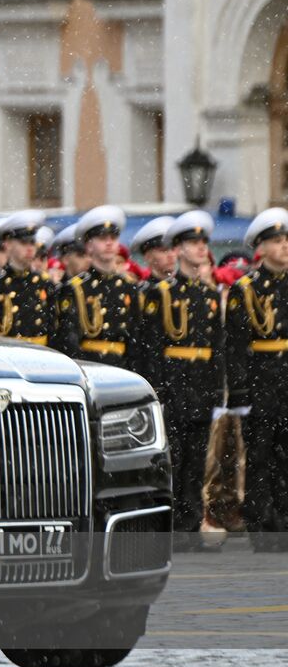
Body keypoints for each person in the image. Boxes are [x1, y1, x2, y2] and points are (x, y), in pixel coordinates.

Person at [138, 211, 223, 547]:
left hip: (200, 386)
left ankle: (189, 525)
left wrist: (218, 390)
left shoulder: (210, 296)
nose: (201, 248)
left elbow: (216, 348)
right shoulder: (160, 294)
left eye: (203, 242)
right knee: (171, 460)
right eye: (193, 242)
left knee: (197, 462)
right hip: (173, 386)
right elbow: (152, 346)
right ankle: (168, 527)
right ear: (178, 249)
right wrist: (156, 389)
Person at [226, 207, 288, 551]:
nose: (285, 247)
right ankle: (264, 527)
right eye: (277, 241)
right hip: (262, 381)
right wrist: (240, 393)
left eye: (286, 240)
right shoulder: (246, 289)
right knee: (261, 458)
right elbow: (236, 346)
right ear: (261, 248)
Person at [53, 205, 139, 371]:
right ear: (89, 246)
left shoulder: (128, 287)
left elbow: (136, 338)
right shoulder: (75, 289)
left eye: (113, 238)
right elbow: (68, 340)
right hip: (89, 367)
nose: (108, 243)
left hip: (122, 369)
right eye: (102, 238)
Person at [0, 210, 54, 345]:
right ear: (7, 244)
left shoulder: (44, 283)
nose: (30, 248)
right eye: (23, 242)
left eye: (32, 242)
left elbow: (53, 329)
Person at [131, 216, 177, 283]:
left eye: (173, 249)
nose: (171, 255)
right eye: (163, 251)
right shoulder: (143, 292)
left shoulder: (188, 286)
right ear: (148, 257)